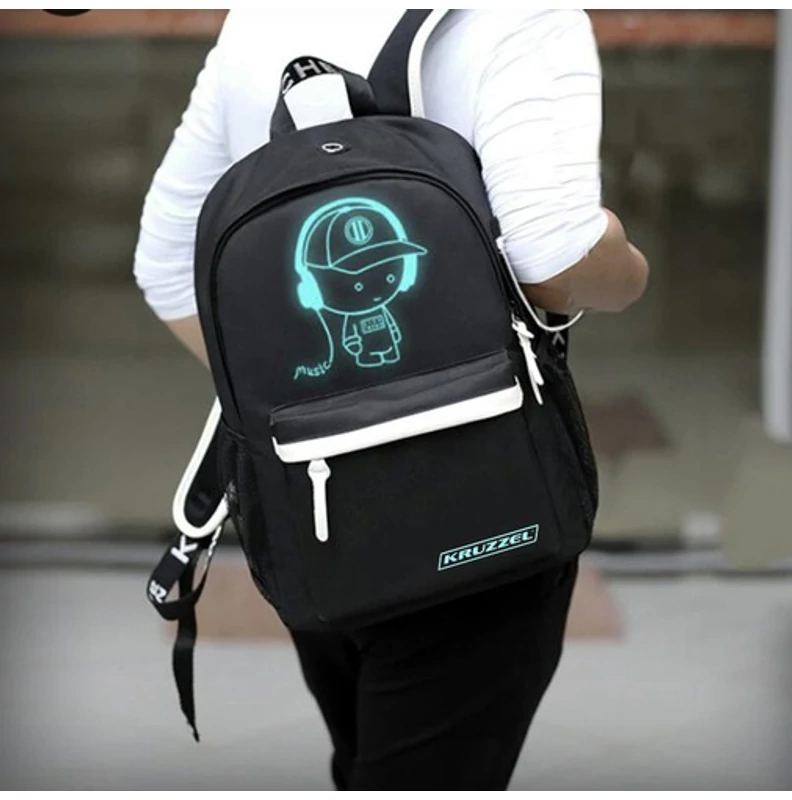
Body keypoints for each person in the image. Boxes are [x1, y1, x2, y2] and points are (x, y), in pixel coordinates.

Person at [134, 10, 648, 790]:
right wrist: (633, 268)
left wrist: (318, 409)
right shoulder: (524, 19)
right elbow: (554, 253)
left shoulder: (259, 18)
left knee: (367, 762)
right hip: (483, 506)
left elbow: (167, 267)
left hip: (316, 513)